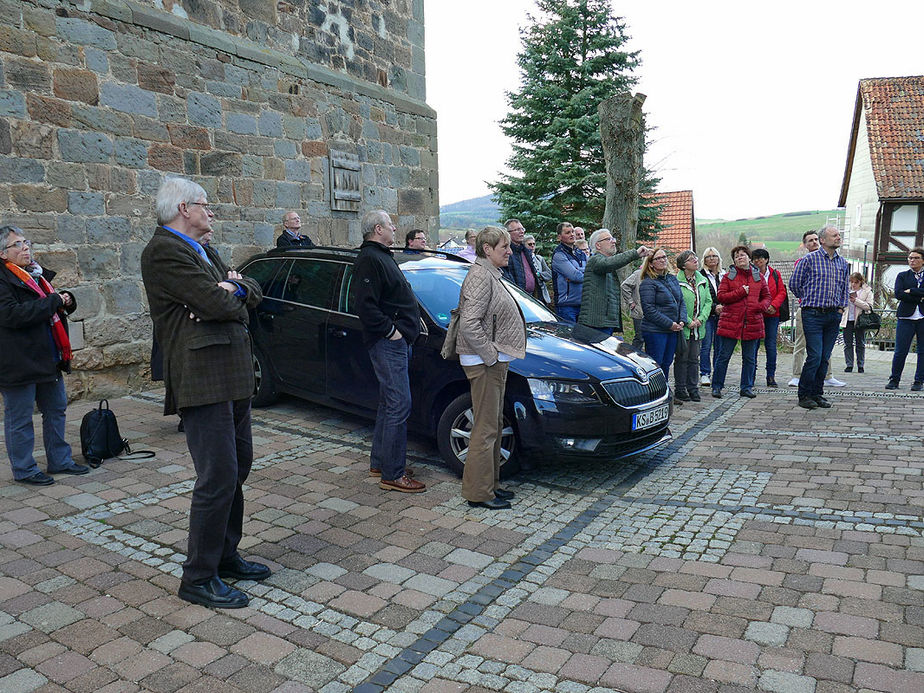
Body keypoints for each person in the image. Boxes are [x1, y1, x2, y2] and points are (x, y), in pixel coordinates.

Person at [141, 178, 268, 609]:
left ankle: (225, 555)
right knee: (216, 477)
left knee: (238, 469)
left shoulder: (203, 249)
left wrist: (234, 285)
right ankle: (198, 577)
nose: (211, 213)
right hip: (202, 377)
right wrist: (229, 294)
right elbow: (218, 306)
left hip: (232, 376)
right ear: (183, 208)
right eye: (205, 206)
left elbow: (250, 290)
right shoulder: (164, 251)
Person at [0, 226, 87, 486]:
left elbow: (51, 307)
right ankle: (25, 469)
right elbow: (12, 315)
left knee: (56, 409)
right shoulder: (3, 279)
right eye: (17, 244)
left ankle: (60, 460)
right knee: (20, 418)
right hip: (17, 361)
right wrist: (54, 301)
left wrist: (67, 301)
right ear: (3, 253)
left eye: (26, 242)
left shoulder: (36, 275)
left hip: (48, 357)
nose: (26, 247)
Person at [353, 210, 426, 492]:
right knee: (399, 404)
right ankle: (393, 474)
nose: (395, 228)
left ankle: (381, 463)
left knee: (389, 403)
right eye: (390, 224)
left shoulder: (381, 255)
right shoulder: (370, 258)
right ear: (378, 228)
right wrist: (391, 331)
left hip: (397, 342)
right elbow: (365, 305)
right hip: (388, 343)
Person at [455, 226, 526, 510]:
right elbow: (469, 323)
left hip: (492, 362)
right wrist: (490, 356)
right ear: (487, 249)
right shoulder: (480, 276)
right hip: (484, 363)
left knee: (493, 425)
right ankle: (478, 493)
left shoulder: (490, 273)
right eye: (503, 247)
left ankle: (491, 486)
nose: (509, 251)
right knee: (485, 429)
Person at [789, 224, 849, 409]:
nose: (838, 238)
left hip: (833, 316)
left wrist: (840, 308)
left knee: (824, 357)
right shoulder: (809, 260)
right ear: (823, 240)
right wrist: (807, 300)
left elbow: (844, 288)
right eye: (834, 235)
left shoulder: (842, 263)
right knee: (814, 356)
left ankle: (817, 393)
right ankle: (804, 395)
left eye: (839, 235)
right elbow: (794, 284)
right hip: (813, 314)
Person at [711, 246, 770, 399]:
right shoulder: (728, 276)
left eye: (742, 255)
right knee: (723, 356)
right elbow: (721, 297)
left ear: (749, 258)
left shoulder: (758, 277)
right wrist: (741, 292)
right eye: (736, 256)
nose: (740, 258)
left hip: (752, 321)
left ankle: (746, 387)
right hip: (731, 321)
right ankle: (717, 386)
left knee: (750, 358)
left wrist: (760, 306)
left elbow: (767, 297)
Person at [577, 228, 650, 335]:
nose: (614, 241)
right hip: (596, 323)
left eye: (613, 238)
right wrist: (635, 254)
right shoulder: (595, 260)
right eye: (608, 239)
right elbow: (609, 263)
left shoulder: (604, 262)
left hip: (604, 322)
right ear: (598, 245)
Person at [638, 248, 687, 382]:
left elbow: (681, 301)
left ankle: (664, 390)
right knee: (655, 364)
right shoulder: (648, 283)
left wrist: (682, 320)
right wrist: (669, 324)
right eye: (658, 258)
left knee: (667, 362)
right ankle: (654, 393)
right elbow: (649, 310)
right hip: (655, 331)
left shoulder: (672, 278)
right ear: (651, 263)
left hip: (673, 329)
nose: (662, 260)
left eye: (664, 257)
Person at [674, 250, 712, 402]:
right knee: (682, 358)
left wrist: (701, 319)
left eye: (696, 258)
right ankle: (680, 388)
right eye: (691, 259)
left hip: (698, 327)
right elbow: (677, 304)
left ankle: (693, 388)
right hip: (684, 326)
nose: (696, 260)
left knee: (694, 359)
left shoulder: (702, 279)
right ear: (683, 265)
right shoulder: (677, 281)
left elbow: (708, 301)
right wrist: (688, 320)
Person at [886, 247, 924, 391]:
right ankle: (894, 379)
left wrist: (912, 291)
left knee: (922, 351)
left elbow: (906, 293)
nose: (912, 260)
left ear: (923, 260)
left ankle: (919, 381)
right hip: (906, 317)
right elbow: (899, 294)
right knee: (901, 350)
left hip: (922, 317)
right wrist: (920, 296)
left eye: (916, 258)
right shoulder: (902, 276)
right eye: (910, 258)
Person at [751, 248, 788, 387]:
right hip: (755, 314)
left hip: (773, 314)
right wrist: (759, 306)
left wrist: (773, 306)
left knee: (771, 345)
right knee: (753, 345)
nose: (758, 261)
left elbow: (781, 292)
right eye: (755, 258)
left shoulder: (775, 274)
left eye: (761, 258)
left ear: (766, 259)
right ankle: (751, 375)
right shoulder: (751, 274)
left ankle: (770, 376)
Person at [698, 246, 723, 386]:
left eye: (714, 256)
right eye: (708, 256)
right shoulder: (700, 275)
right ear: (704, 260)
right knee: (706, 345)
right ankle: (705, 373)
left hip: (722, 315)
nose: (711, 258)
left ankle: (718, 373)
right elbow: (702, 297)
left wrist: (723, 307)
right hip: (707, 315)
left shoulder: (724, 274)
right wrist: (714, 307)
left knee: (720, 346)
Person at [501, 219, 543, 302]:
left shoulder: (526, 251)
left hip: (531, 297)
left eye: (522, 229)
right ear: (508, 233)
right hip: (517, 299)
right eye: (517, 230)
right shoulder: (507, 253)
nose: (521, 232)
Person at [551, 222, 586, 322]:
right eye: (567, 233)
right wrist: (579, 272)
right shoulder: (559, 255)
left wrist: (578, 271)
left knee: (582, 336)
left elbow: (590, 271)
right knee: (568, 337)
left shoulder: (581, 253)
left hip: (583, 305)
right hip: (566, 306)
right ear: (559, 237)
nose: (572, 235)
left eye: (572, 232)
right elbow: (575, 276)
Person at [842, 272, 874, 374]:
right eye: (852, 282)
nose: (853, 284)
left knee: (860, 344)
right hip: (847, 320)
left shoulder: (866, 291)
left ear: (860, 282)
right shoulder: (846, 291)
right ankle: (849, 365)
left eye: (856, 282)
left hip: (860, 321)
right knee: (848, 344)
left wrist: (856, 301)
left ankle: (860, 365)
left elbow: (869, 306)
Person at [620, 268, 645, 351]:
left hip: (654, 313)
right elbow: (624, 286)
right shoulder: (638, 274)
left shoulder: (659, 275)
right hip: (639, 312)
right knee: (640, 337)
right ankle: (634, 358)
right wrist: (630, 301)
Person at [524, 234, 552, 304]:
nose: (532, 246)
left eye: (534, 244)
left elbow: (549, 274)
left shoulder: (539, 258)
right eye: (530, 244)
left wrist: (539, 275)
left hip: (541, 292)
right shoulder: (522, 259)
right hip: (529, 294)